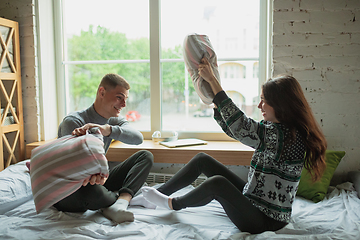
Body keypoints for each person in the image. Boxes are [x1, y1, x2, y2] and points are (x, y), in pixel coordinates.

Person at [141, 58, 327, 234]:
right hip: (254, 200)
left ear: (281, 104)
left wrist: (213, 82)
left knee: (217, 183)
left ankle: (173, 203)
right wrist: (216, 105)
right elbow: (238, 131)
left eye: (265, 101)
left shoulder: (286, 136)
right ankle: (155, 196)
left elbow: (241, 126)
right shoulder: (275, 129)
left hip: (265, 220)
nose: (260, 105)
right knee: (202, 160)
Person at [55, 73, 154, 224]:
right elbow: (75, 168)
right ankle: (121, 197)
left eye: (125, 99)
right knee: (90, 189)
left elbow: (137, 138)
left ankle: (121, 202)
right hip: (72, 189)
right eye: (119, 97)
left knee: (145, 156)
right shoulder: (74, 121)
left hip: (97, 180)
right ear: (102, 92)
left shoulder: (113, 121)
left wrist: (106, 130)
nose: (124, 105)